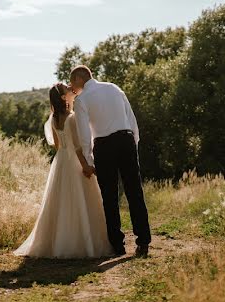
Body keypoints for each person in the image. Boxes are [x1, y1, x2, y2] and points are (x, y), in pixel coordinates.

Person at [13, 83, 114, 258]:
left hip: (60, 161)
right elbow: (77, 148)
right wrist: (87, 167)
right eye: (67, 89)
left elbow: (58, 145)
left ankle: (57, 243)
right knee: (79, 199)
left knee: (61, 200)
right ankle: (80, 243)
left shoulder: (53, 118)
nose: (70, 89)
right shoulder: (72, 118)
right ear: (63, 97)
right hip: (74, 161)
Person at [69, 65, 151, 258]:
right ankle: (144, 241)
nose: (72, 87)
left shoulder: (82, 99)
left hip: (104, 146)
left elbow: (84, 133)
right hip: (126, 140)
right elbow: (131, 118)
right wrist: (133, 143)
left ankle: (118, 245)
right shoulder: (114, 88)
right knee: (135, 192)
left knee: (110, 196)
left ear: (80, 79)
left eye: (72, 82)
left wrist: (89, 160)